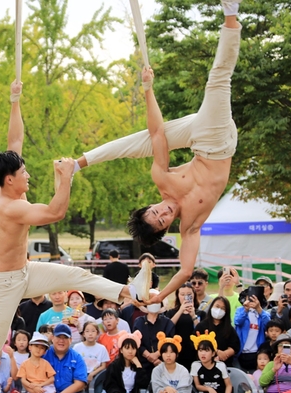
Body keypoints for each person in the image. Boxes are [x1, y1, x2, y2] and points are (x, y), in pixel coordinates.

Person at [0, 78, 152, 393]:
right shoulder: (12, 207)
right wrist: (65, 177)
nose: (28, 174)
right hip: (3, 284)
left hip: (24, 271)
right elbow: (55, 212)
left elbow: (13, 143)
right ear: (9, 180)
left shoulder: (5, 186)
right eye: (23, 174)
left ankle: (130, 292)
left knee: (76, 275)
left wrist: (15, 99)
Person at [75, 4, 242, 306]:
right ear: (167, 229)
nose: (164, 213)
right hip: (217, 143)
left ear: (151, 205)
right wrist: (159, 296)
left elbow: (156, 134)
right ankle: (231, 15)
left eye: (156, 211)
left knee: (145, 142)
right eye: (163, 221)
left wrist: (148, 88)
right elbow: (186, 270)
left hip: (195, 137)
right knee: (218, 79)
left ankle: (79, 162)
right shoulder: (191, 223)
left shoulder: (162, 178)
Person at [134, 289, 174, 375]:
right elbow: (136, 342)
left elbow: (170, 341)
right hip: (143, 363)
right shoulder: (139, 321)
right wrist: (148, 355)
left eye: (156, 301)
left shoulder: (167, 322)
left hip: (163, 362)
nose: (153, 304)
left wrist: (157, 355)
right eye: (151, 301)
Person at [165, 284, 201, 370]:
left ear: (194, 295)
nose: (186, 297)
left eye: (189, 294)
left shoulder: (200, 313)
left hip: (194, 352)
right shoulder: (171, 313)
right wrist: (181, 310)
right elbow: (168, 327)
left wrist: (193, 315)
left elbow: (201, 331)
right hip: (176, 352)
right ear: (178, 296)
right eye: (182, 294)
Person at [195, 297, 240, 366]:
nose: (219, 310)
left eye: (223, 308)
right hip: (204, 364)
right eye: (217, 306)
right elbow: (195, 343)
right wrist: (216, 352)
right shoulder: (202, 326)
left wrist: (225, 353)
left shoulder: (229, 328)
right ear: (211, 307)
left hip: (224, 364)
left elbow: (235, 346)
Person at [234, 293, 271, 372]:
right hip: (241, 352)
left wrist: (259, 309)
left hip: (256, 353)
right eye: (250, 298)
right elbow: (237, 322)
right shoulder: (240, 310)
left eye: (255, 298)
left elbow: (269, 325)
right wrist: (245, 310)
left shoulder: (263, 313)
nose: (252, 300)